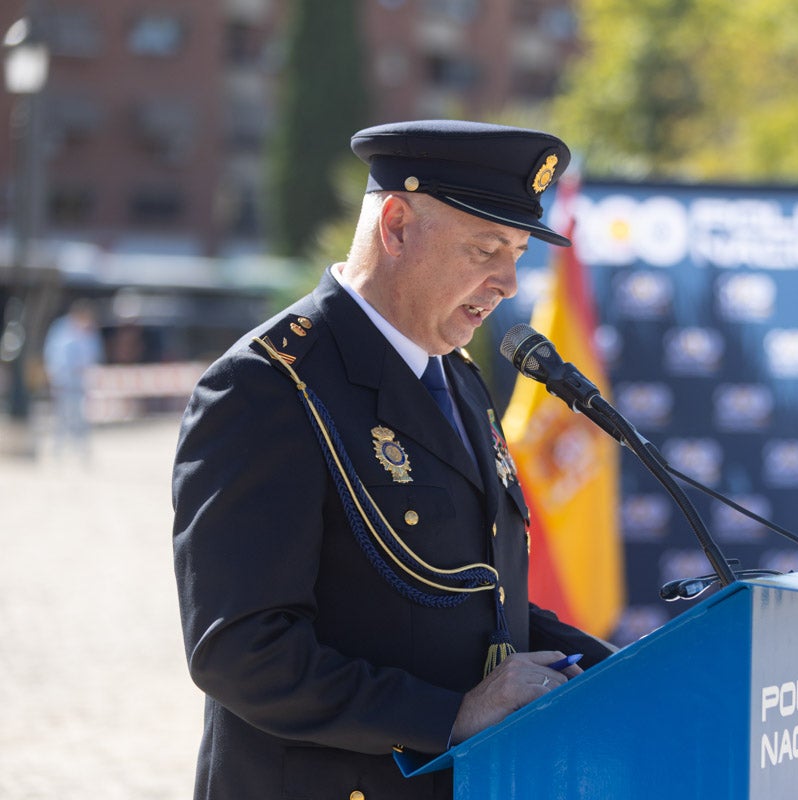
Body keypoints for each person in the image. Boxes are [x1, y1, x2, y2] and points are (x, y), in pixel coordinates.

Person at [172, 120, 616, 800]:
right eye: (487, 248)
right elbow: (242, 653)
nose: (506, 282)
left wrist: (617, 671)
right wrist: (453, 714)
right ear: (398, 225)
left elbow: (473, 594)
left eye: (520, 253)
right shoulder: (267, 386)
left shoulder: (458, 377)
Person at [42, 298, 104, 458]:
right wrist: (55, 377)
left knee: (81, 418)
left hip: (80, 382)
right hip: (64, 381)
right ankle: (58, 452)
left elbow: (93, 354)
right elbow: (55, 356)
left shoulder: (89, 331)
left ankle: (82, 452)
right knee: (62, 418)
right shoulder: (62, 330)